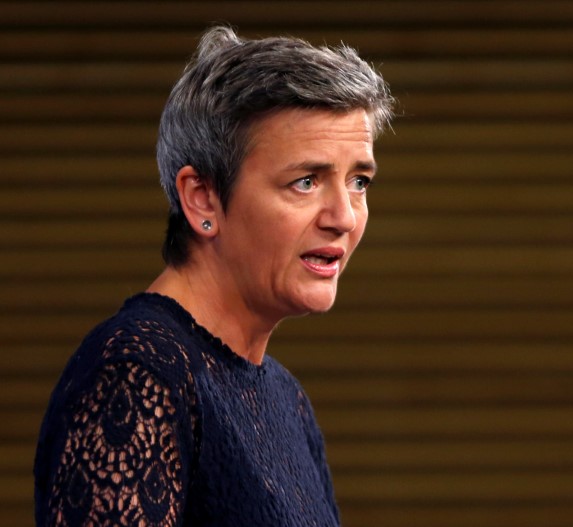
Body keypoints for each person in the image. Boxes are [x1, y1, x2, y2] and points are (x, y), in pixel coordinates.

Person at [34, 26, 394, 526]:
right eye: (306, 181)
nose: (345, 216)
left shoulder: (285, 399)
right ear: (202, 198)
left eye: (359, 181)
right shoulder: (136, 375)